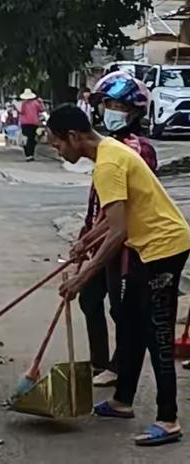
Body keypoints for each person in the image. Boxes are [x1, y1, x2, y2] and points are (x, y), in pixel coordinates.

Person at [48, 103, 190, 447]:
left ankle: (168, 419)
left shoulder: (109, 163)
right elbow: (112, 219)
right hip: (148, 246)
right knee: (129, 322)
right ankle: (121, 400)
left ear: (73, 136)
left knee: (156, 331)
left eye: (57, 145)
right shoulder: (109, 152)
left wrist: (84, 278)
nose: (57, 151)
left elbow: (119, 231)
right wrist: (85, 241)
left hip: (164, 247)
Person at [79, 72, 158, 387]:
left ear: (135, 111)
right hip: (102, 234)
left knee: (121, 308)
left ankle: (118, 366)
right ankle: (100, 363)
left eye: (118, 105)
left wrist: (95, 235)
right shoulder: (107, 146)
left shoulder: (138, 149)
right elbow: (99, 199)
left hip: (125, 240)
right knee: (89, 298)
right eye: (107, 104)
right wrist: (87, 233)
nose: (110, 111)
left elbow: (125, 205)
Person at [19, 88, 44, 162]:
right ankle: (31, 154)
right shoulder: (36, 103)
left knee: (25, 139)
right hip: (34, 123)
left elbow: (21, 112)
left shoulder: (23, 104)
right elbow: (42, 109)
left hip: (25, 123)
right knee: (32, 139)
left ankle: (28, 155)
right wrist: (41, 102)